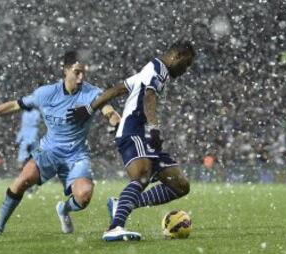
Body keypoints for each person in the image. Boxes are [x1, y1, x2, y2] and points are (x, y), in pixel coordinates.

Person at [0, 50, 121, 238]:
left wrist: (117, 122)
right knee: (22, 181)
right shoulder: (46, 93)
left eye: (84, 72)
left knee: (84, 197)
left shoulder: (92, 93)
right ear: (65, 70)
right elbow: (14, 105)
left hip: (76, 154)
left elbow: (109, 111)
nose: (81, 77)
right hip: (49, 151)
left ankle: (64, 209)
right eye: (77, 72)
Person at [67, 40, 195, 241]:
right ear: (176, 56)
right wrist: (154, 128)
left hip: (143, 133)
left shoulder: (150, 69)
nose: (185, 70)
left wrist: (90, 108)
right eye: (186, 64)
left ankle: (124, 204)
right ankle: (115, 227)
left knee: (179, 185)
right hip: (134, 130)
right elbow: (149, 96)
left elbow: (118, 89)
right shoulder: (157, 69)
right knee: (142, 175)